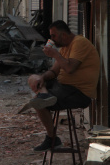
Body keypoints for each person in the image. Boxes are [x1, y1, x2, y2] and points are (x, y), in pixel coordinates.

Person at [28, 20, 99, 152]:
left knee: (38, 103)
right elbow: (54, 71)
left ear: (64, 35)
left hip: (78, 92)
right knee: (33, 78)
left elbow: (69, 68)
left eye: (54, 36)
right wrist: (42, 78)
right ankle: (44, 94)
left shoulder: (79, 43)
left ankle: (52, 139)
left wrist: (55, 54)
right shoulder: (65, 48)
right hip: (63, 87)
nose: (52, 39)